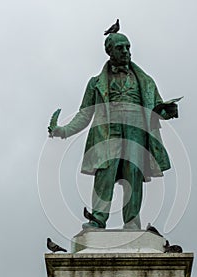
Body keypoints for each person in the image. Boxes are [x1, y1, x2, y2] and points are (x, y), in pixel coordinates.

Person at [50, 33, 178, 229]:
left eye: (128, 47)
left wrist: (166, 111)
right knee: (105, 174)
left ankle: (132, 223)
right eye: (120, 48)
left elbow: (155, 108)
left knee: (133, 174)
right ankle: (98, 220)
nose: (126, 51)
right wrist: (63, 130)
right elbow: (84, 115)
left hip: (136, 131)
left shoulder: (146, 81)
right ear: (109, 51)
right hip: (107, 132)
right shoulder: (95, 83)